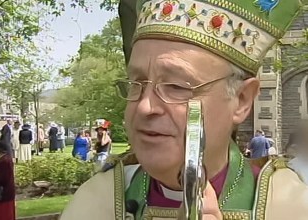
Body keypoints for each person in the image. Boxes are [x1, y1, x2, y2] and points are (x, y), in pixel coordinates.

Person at [60, 1, 308, 219]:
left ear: (242, 100)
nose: (145, 106)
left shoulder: (287, 205)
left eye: (176, 86)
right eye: (136, 83)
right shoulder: (96, 201)